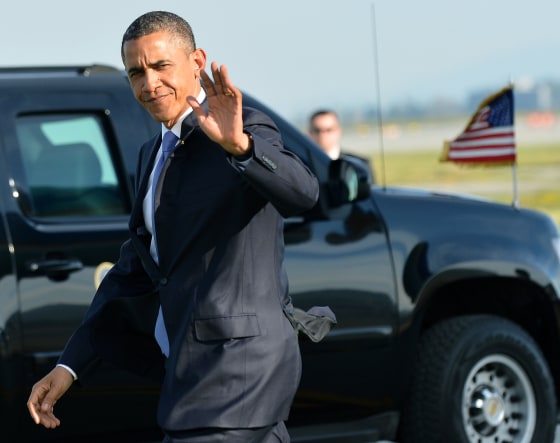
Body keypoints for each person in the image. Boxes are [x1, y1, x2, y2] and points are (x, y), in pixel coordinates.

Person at [27, 10, 323, 443]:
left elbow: (304, 193)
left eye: (161, 65)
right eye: (136, 72)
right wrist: (69, 366)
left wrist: (240, 148)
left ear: (197, 62)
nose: (149, 83)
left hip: (239, 375)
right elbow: (134, 271)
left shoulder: (245, 131)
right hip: (187, 378)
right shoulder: (152, 154)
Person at [308, 109, 375, 183]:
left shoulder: (360, 164)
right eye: (317, 130)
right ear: (310, 133)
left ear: (338, 131)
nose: (323, 135)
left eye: (328, 130)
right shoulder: (304, 166)